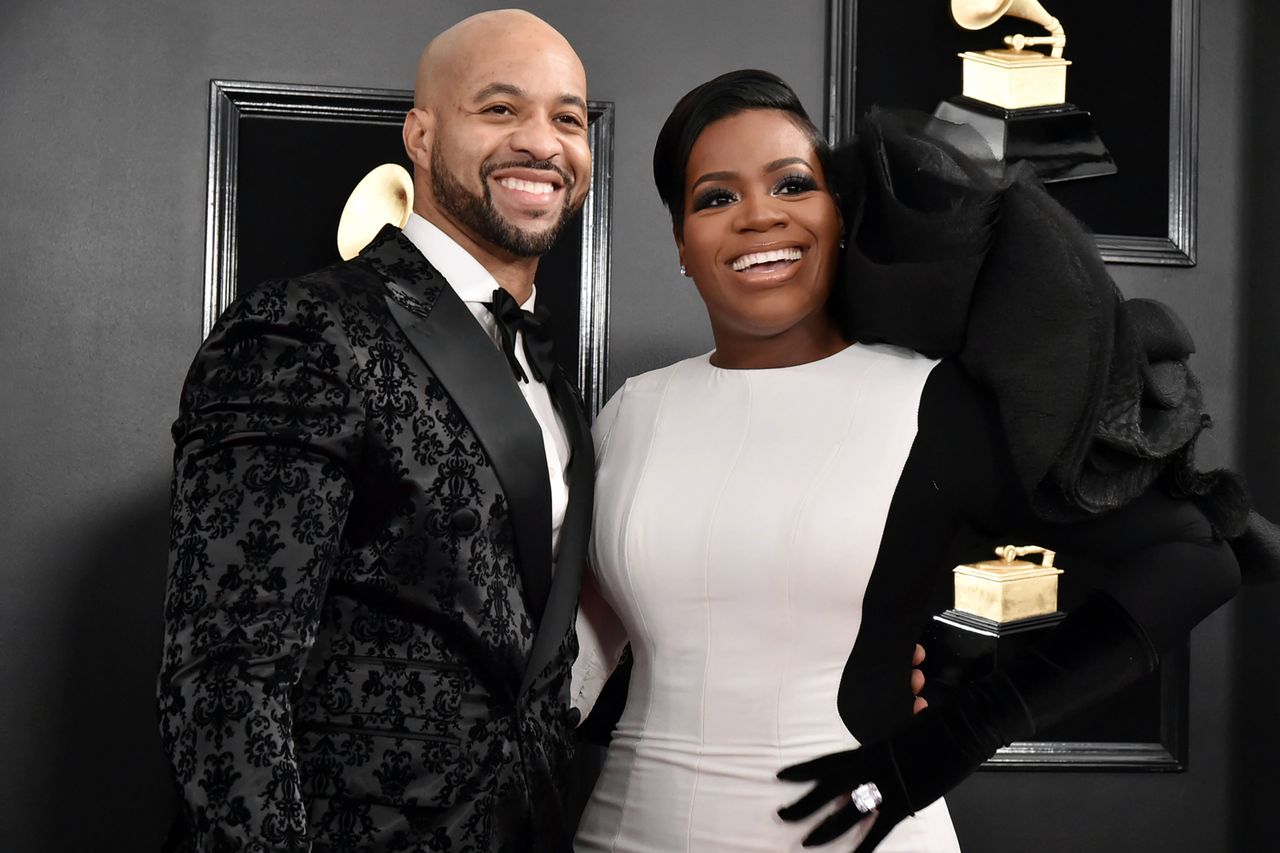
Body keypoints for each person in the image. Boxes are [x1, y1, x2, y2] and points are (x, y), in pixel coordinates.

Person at [569, 70, 1241, 852]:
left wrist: (952, 738)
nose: (759, 215)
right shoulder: (629, 412)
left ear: (840, 215)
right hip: (625, 831)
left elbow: (1193, 559)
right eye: (715, 197)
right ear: (683, 245)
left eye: (792, 183)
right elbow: (588, 650)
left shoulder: (929, 400)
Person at [157, 10, 596, 851]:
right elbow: (223, 681)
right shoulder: (302, 328)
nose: (541, 142)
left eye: (567, 117)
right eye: (499, 109)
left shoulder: (554, 376)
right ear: (421, 137)